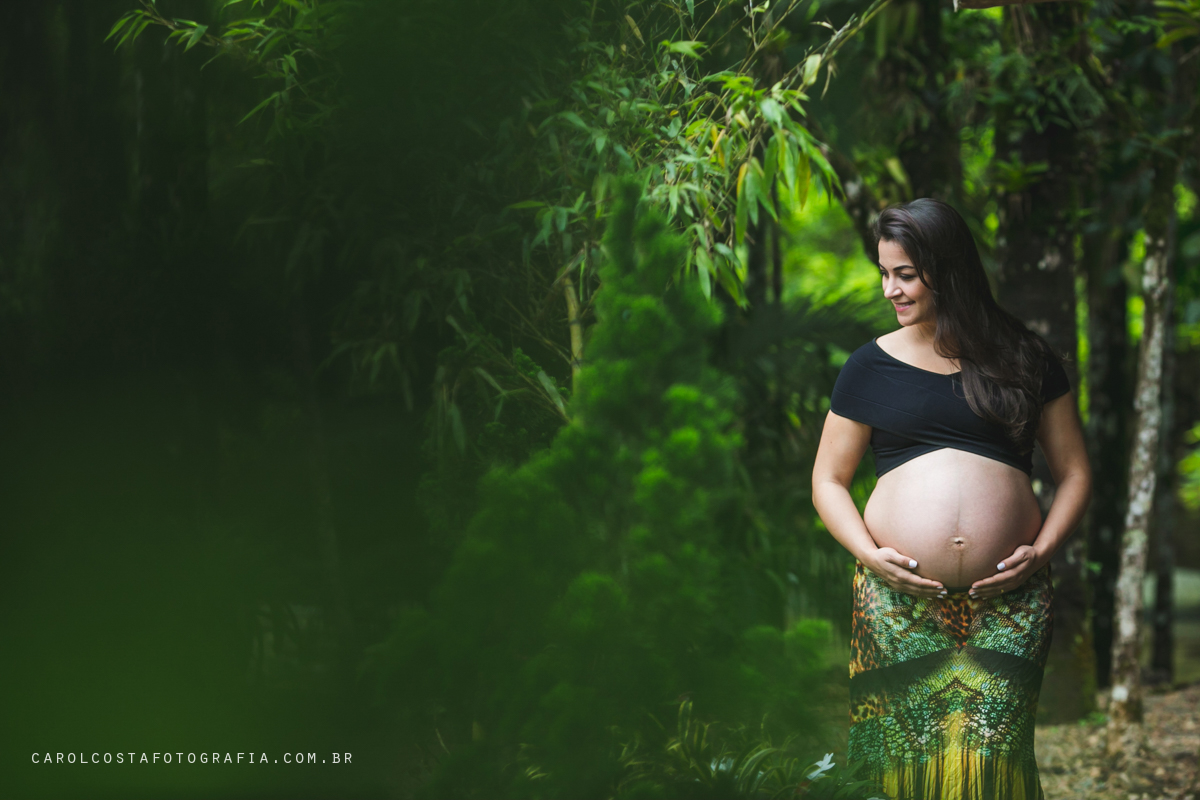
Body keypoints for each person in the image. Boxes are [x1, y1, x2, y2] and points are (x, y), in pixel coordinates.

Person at [811, 198, 1092, 799]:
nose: (890, 288)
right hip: (895, 600)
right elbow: (828, 480)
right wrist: (868, 552)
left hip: (1010, 600)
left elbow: (1074, 474)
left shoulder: (1025, 357)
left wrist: (1040, 553)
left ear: (948, 268)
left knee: (993, 765)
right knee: (899, 759)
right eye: (884, 273)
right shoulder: (867, 367)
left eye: (905, 273)